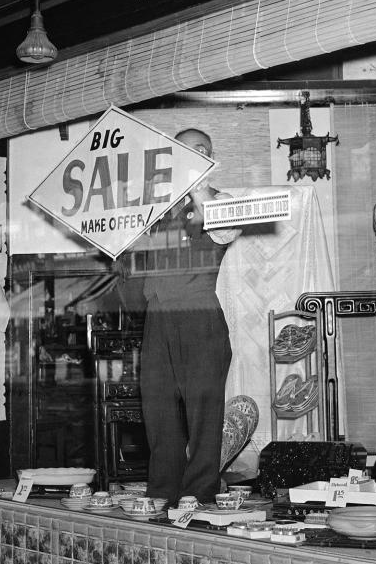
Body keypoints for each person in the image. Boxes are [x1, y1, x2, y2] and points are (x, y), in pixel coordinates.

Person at [135, 128, 240, 505]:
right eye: (183, 151)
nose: (190, 156)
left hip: (200, 315)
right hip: (158, 316)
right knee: (158, 407)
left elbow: (226, 231)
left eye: (199, 150)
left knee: (203, 412)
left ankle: (200, 493)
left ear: (210, 157)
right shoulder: (156, 207)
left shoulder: (220, 200)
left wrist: (199, 184)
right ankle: (163, 490)